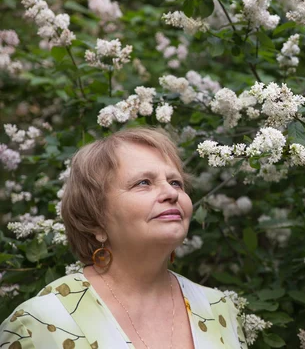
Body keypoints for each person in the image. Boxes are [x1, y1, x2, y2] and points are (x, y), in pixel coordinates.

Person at [0, 128, 247, 349]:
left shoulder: (218, 309)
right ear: (96, 220)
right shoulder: (40, 323)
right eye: (143, 183)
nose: (171, 193)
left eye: (176, 182)